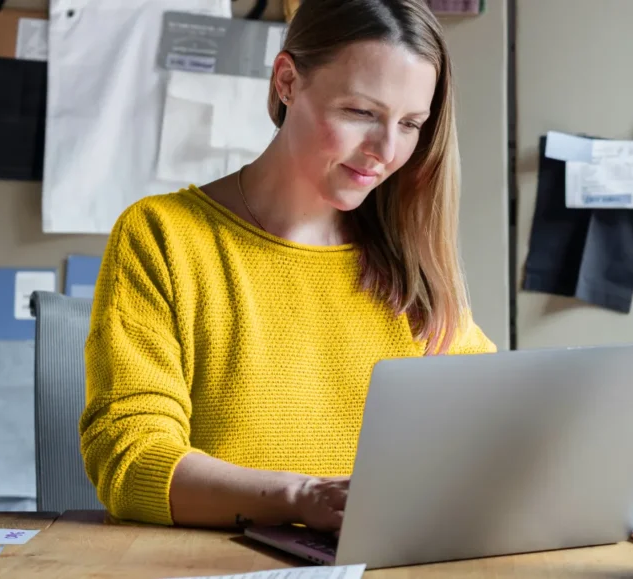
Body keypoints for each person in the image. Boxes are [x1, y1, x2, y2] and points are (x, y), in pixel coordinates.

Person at [78, 0, 496, 535]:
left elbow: (499, 418)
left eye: (411, 124)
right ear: (287, 82)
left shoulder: (409, 262)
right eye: (361, 113)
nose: (385, 151)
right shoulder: (163, 236)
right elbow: (131, 462)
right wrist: (302, 498)